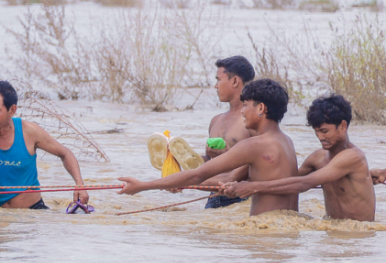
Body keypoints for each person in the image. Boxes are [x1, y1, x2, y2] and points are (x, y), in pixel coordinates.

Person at [118, 79, 298, 216]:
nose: (242, 111)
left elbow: (198, 174)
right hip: (288, 225)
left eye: (246, 105)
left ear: (261, 108)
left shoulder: (254, 145)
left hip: (265, 232)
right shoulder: (286, 142)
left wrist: (143, 186)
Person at [219, 94, 375, 222]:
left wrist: (253, 187)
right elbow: (286, 179)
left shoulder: (353, 157)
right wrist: (237, 186)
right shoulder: (317, 158)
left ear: (342, 126)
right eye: (316, 132)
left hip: (357, 235)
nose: (320, 137)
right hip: (331, 229)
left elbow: (303, 183)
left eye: (324, 131)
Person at [0, 80, 89, 210]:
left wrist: (79, 184)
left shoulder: (30, 132)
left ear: (12, 110)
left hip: (32, 213)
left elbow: (65, 153)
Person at [201, 55, 257, 209]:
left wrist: (186, 182)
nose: (215, 86)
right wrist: (180, 160)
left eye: (219, 80)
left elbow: (258, 163)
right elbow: (207, 163)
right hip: (214, 195)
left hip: (242, 199)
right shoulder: (215, 120)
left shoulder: (253, 120)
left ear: (234, 81)